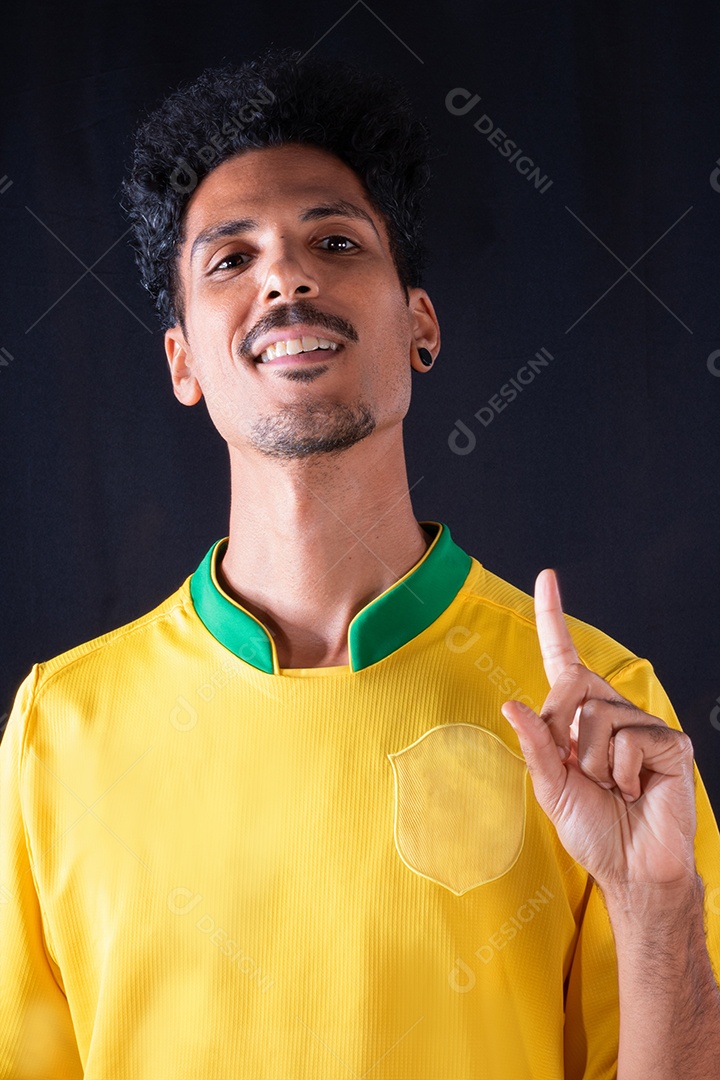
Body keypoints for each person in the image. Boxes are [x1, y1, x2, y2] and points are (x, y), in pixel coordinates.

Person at [1, 49, 719, 1080]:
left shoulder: (606, 722)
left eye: (334, 241)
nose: (287, 276)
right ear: (183, 363)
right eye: (230, 259)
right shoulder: (55, 732)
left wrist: (657, 910)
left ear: (418, 324)